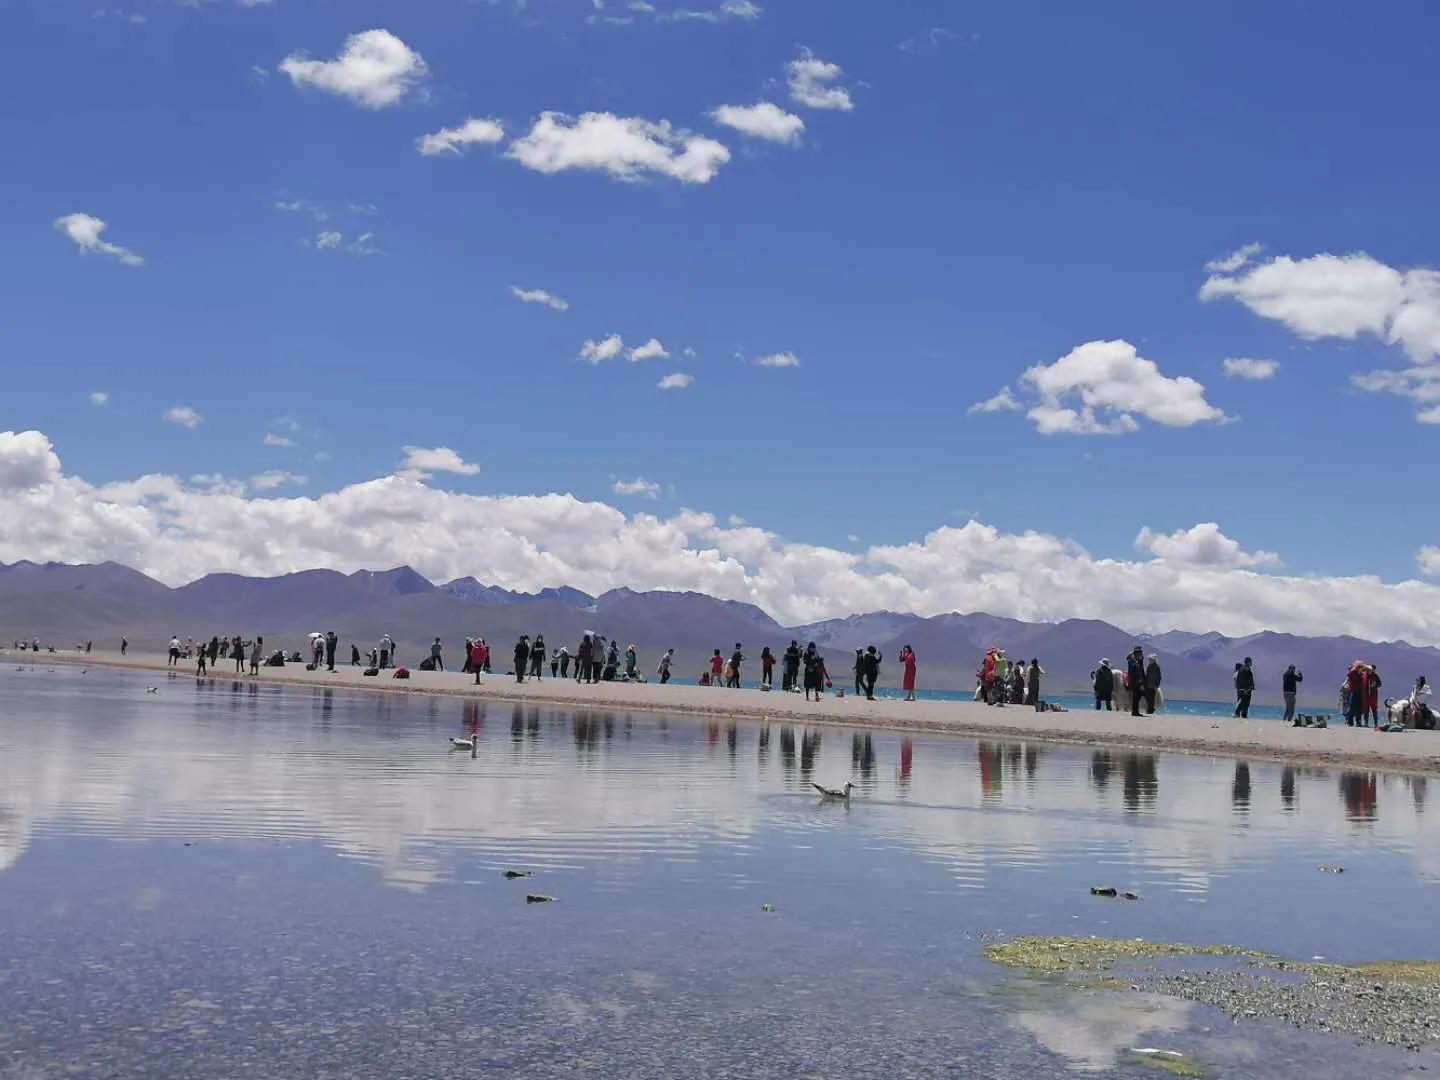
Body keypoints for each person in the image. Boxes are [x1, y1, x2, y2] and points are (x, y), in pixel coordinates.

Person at [1345, 661, 1368, 727]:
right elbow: (1349, 675)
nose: (1361, 670)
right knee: (1352, 706)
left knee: (1359, 707)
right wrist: (1354, 669)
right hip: (1354, 691)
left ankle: (1358, 722)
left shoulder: (1361, 674)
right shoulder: (1353, 672)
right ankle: (1350, 721)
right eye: (1360, 668)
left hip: (1360, 692)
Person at [1127, 647, 1146, 717]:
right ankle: (1135, 711)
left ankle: (1135, 711)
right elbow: (1136, 672)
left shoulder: (1134, 661)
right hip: (1135, 682)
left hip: (1135, 681)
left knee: (1137, 696)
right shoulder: (1133, 662)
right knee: (1136, 696)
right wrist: (1140, 681)